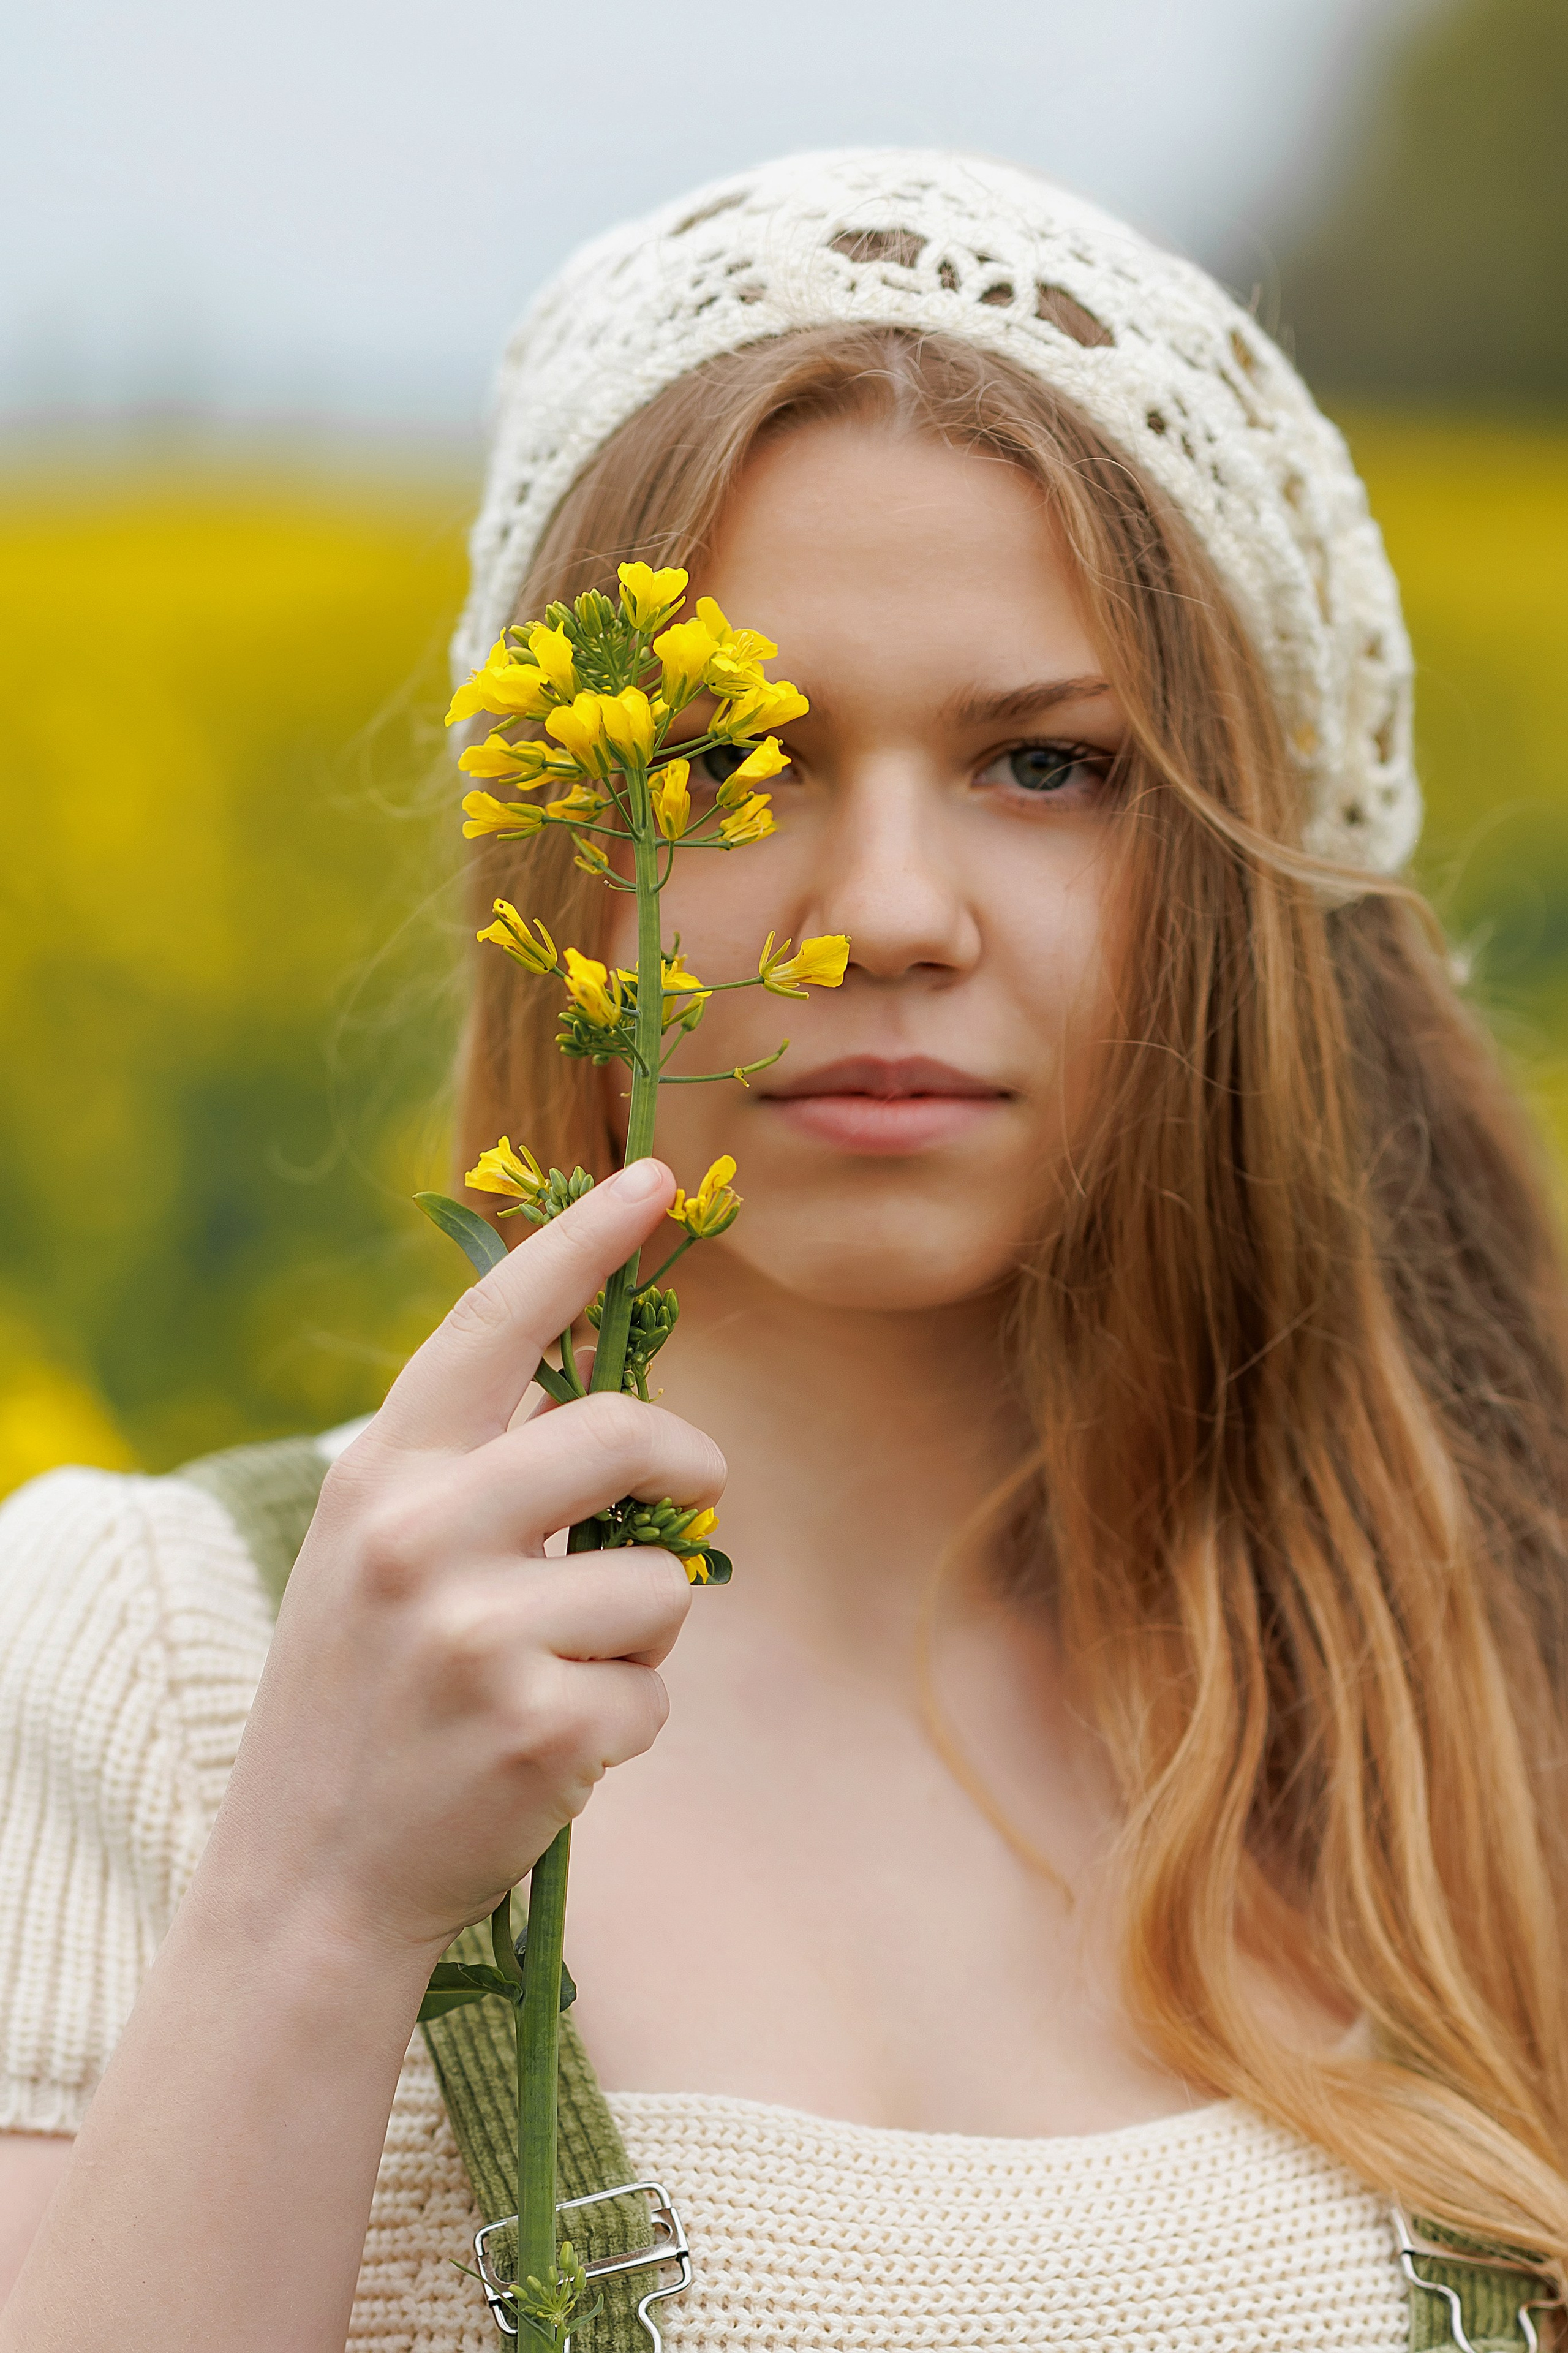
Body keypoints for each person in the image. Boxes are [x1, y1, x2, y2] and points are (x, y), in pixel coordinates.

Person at [3, 147, 1566, 2353]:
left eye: (1046, 766)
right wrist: (315, 1903)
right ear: (574, 843)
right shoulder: (149, 1673)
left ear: (1237, 865)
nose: (891, 910)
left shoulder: (1486, 1683)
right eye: (738, 758)